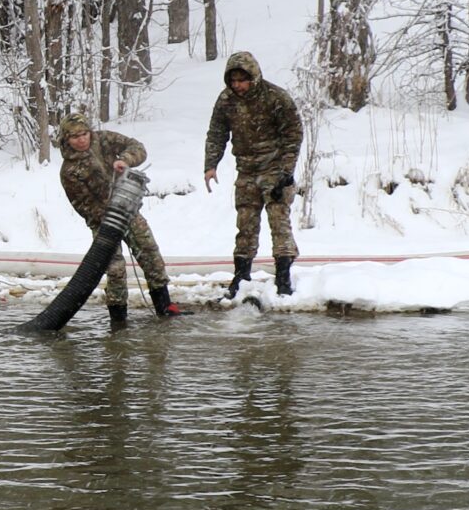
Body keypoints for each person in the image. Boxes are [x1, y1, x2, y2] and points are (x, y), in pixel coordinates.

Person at [57, 111, 180, 322]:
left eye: (84, 133)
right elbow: (82, 205)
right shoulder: (69, 171)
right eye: (75, 136)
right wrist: (110, 215)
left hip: (129, 212)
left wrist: (125, 160)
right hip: (103, 224)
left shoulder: (104, 140)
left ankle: (165, 306)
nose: (82, 139)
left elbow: (137, 147)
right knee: (115, 271)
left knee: (151, 255)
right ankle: (118, 320)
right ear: (66, 139)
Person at [204, 50, 304, 298]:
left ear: (253, 76)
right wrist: (211, 164)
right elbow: (217, 132)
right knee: (245, 225)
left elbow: (293, 133)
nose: (238, 86)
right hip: (246, 170)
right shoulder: (226, 100)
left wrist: (286, 171)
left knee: (279, 222)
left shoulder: (275, 97)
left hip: (274, 167)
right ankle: (241, 277)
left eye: (242, 80)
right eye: (233, 80)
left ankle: (283, 278)